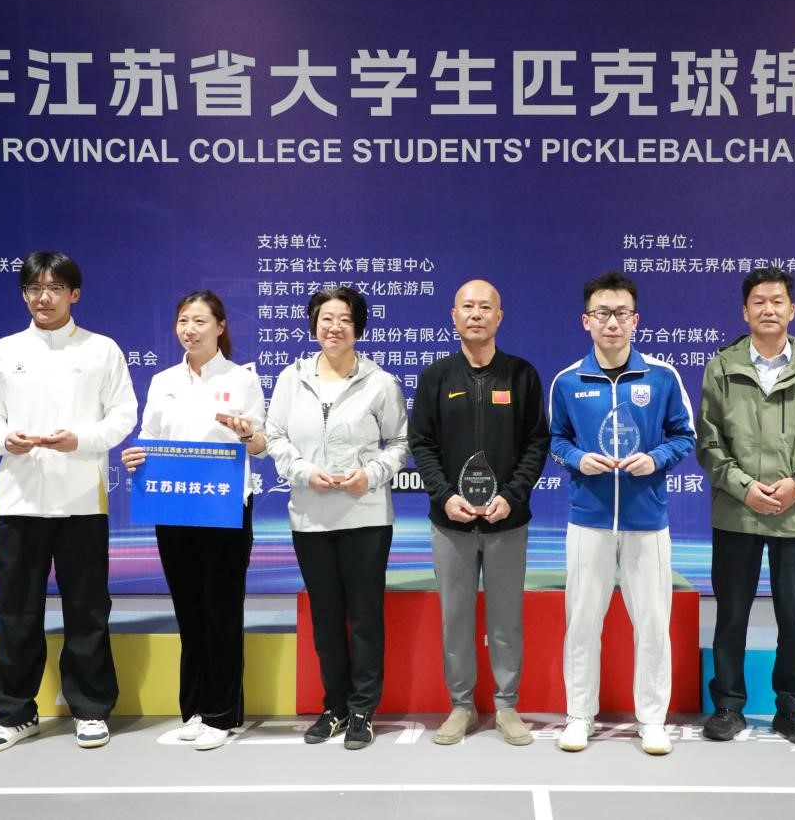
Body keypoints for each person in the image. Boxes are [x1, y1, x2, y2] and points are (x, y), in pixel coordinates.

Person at [0, 251, 137, 752]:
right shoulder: (3, 351)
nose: (44, 297)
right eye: (34, 288)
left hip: (83, 498)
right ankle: (12, 712)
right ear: (24, 294)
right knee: (17, 610)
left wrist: (80, 440)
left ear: (74, 294)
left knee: (87, 607)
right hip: (18, 499)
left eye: (55, 288)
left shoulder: (102, 349)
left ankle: (90, 708)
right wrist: (4, 439)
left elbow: (123, 415)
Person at [697, 268, 795, 746]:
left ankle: (792, 709)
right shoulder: (721, 368)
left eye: (777, 301)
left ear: (792, 310)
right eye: (759, 302)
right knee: (732, 615)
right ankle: (728, 705)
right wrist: (742, 487)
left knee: (794, 618)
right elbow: (708, 440)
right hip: (736, 512)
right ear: (745, 311)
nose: (768, 309)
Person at [548, 271, 696, 755]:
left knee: (652, 623)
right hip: (588, 519)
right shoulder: (568, 381)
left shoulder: (661, 377)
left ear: (636, 320)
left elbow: (685, 435)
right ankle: (579, 715)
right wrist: (577, 459)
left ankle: (652, 720)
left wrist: (655, 459)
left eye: (621, 314)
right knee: (582, 622)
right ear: (586, 320)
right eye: (602, 313)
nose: (612, 323)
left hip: (646, 521)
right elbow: (556, 439)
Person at [120, 290, 267, 751]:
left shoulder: (242, 379)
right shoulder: (163, 380)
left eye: (201, 321)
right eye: (184, 320)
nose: (190, 329)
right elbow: (150, 436)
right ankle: (196, 710)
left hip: (223, 507)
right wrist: (135, 455)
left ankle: (223, 715)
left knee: (222, 611)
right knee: (188, 610)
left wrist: (247, 432)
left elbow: (261, 443)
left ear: (220, 327)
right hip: (175, 507)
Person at [266, 286, 409, 750]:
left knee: (365, 616)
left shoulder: (380, 382)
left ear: (358, 327)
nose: (334, 327)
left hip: (365, 516)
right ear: (314, 325)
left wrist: (371, 475)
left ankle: (363, 708)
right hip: (310, 517)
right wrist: (304, 472)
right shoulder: (291, 379)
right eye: (326, 318)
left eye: (345, 319)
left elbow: (400, 443)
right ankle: (335, 706)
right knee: (326, 618)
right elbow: (275, 436)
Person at [408, 280, 550, 747]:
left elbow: (536, 443)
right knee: (456, 618)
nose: (476, 314)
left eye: (485, 307)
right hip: (450, 522)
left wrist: (512, 495)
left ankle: (507, 706)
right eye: (467, 307)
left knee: (506, 618)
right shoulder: (435, 377)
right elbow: (421, 444)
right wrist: (444, 495)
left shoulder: (522, 375)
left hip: (507, 520)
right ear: (453, 316)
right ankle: (462, 706)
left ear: (499, 316)